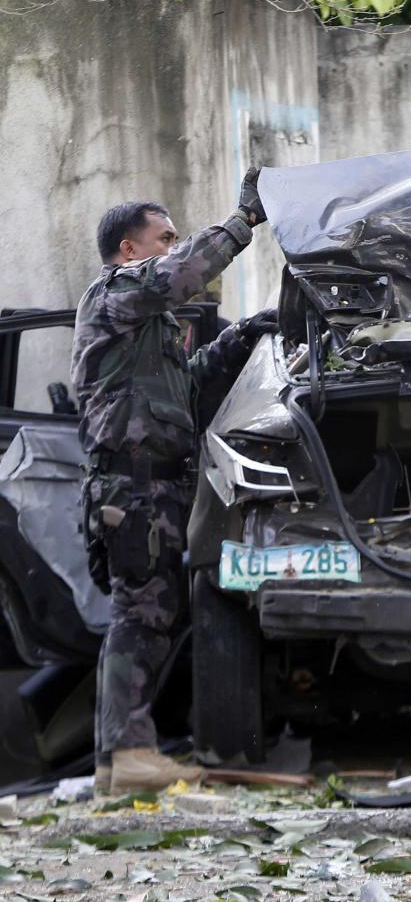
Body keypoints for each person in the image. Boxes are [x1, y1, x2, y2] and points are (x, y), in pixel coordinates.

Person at [71, 170, 278, 796]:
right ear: (129, 249)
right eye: (163, 237)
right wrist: (244, 221)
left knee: (147, 615)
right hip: (132, 489)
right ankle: (129, 754)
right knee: (140, 615)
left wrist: (242, 336)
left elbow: (184, 388)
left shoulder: (146, 329)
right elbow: (182, 273)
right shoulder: (115, 292)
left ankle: (121, 757)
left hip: (150, 488)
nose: (173, 246)